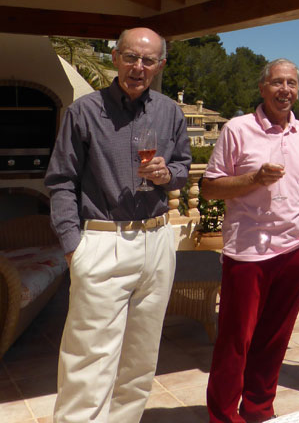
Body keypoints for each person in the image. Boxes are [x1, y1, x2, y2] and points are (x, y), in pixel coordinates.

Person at [45, 27, 191, 423]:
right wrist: (74, 247)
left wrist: (167, 174)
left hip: (157, 241)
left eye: (148, 60)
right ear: (115, 58)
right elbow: (61, 181)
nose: (138, 67)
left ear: (160, 65)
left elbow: (182, 166)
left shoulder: (169, 112)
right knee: (88, 360)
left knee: (140, 359)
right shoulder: (84, 112)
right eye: (130, 57)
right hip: (102, 240)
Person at [203, 58, 299, 423]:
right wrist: (254, 179)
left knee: (275, 339)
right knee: (235, 341)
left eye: (291, 83)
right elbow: (209, 188)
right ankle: (223, 416)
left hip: (298, 248)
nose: (284, 90)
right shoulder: (238, 129)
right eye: (277, 82)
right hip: (248, 252)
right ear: (262, 88)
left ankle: (259, 411)